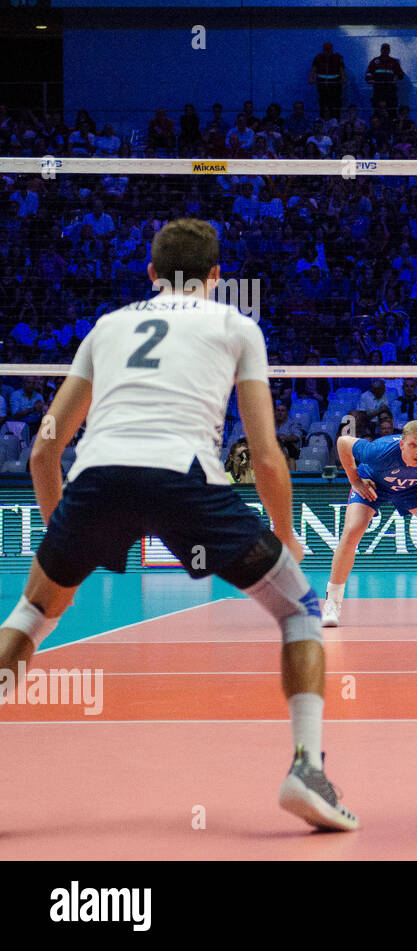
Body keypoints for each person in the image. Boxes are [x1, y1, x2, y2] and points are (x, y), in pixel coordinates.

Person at [0, 219, 357, 831]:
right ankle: (307, 766)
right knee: (299, 607)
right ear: (217, 278)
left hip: (98, 475)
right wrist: (286, 533)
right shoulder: (236, 326)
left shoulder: (107, 328)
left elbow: (43, 449)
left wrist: (66, 536)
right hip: (182, 475)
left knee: (32, 616)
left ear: (151, 272)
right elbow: (265, 452)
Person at [322, 419, 417, 627]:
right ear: (402, 444)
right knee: (352, 531)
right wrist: (355, 481)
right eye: (413, 445)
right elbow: (343, 442)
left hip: (413, 488)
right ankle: (332, 604)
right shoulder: (379, 452)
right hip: (373, 485)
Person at [310, 42, 346, 120]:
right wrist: (311, 78)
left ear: (332, 49)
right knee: (323, 104)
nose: (327, 51)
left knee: (335, 105)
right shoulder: (318, 57)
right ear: (323, 49)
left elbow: (341, 69)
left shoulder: (337, 57)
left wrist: (343, 78)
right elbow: (313, 68)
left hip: (335, 86)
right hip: (322, 85)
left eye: (329, 49)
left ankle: (336, 121)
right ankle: (323, 121)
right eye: (326, 50)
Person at [366, 43, 405, 112]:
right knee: (378, 110)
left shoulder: (394, 61)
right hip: (378, 90)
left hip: (391, 90)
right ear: (381, 50)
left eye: (387, 49)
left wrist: (396, 77)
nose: (385, 51)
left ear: (389, 51)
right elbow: (368, 72)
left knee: (391, 110)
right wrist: (370, 79)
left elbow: (401, 74)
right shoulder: (375, 61)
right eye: (383, 49)